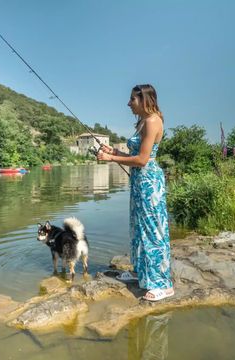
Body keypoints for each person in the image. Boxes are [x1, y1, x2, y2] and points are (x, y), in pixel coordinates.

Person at [97, 84, 174, 301]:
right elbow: (136, 154)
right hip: (140, 182)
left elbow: (142, 160)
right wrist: (115, 151)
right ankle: (143, 274)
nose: (129, 103)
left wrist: (111, 159)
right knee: (139, 228)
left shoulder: (153, 121)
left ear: (144, 99)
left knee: (152, 230)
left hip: (149, 182)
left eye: (132, 99)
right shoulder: (142, 122)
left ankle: (163, 284)